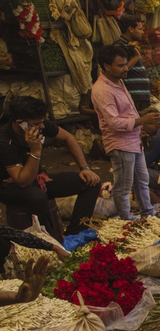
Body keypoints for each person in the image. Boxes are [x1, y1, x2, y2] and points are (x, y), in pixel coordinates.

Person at [0, 96, 101, 239]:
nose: (42, 127)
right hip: (10, 186)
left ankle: (74, 235)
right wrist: (35, 151)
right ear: (20, 123)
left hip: (37, 177)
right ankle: (50, 240)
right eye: (37, 124)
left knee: (91, 182)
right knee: (38, 197)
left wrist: (85, 168)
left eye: (42, 122)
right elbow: (22, 181)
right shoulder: (4, 141)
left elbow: (69, 138)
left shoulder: (39, 123)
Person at [91, 44, 160, 221]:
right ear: (107, 66)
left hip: (133, 140)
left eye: (125, 64)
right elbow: (113, 122)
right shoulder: (102, 90)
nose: (126, 68)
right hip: (120, 144)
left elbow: (126, 67)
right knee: (123, 185)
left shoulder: (117, 79)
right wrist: (141, 121)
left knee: (142, 180)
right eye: (121, 65)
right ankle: (126, 219)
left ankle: (148, 213)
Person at [115, 14, 151, 110]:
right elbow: (122, 70)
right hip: (133, 98)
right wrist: (136, 56)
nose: (142, 32)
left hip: (139, 97)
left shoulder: (129, 45)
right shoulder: (120, 46)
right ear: (130, 29)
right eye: (139, 29)